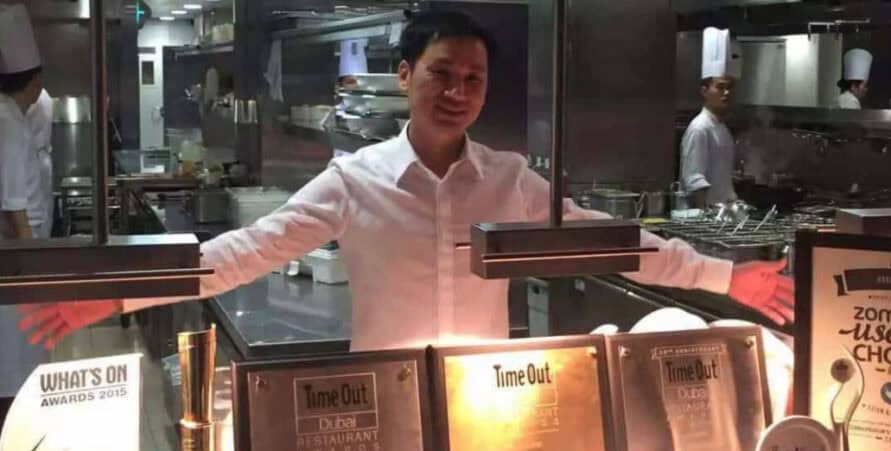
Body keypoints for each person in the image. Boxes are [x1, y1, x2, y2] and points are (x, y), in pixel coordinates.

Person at [19, 10, 795, 355]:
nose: (459, 89)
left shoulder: (511, 179)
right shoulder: (353, 181)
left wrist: (730, 277)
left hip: (485, 389)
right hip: (383, 390)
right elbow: (243, 251)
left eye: (474, 78)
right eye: (441, 73)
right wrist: (120, 291)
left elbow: (613, 241)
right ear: (404, 77)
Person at [1, 3, 49, 403]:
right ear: (33, 82)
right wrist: (37, 269)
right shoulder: (9, 124)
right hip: (19, 260)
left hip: (21, 256)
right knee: (18, 362)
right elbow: (14, 208)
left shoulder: (9, 117)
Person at [679, 27, 741, 208]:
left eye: (729, 87)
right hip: (706, 217)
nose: (726, 93)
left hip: (721, 215)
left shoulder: (721, 127)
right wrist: (704, 218)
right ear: (704, 91)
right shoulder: (700, 128)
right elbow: (694, 179)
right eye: (720, 87)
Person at [27, 87, 54, 238]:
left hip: (34, 158)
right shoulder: (44, 94)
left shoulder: (35, 97)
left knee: (36, 219)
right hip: (40, 158)